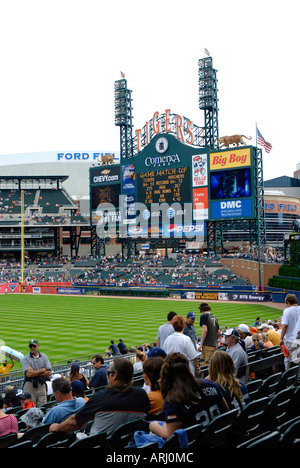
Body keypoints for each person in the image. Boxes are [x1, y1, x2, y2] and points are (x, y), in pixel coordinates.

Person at [49, 357, 150, 437]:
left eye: (108, 372)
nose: (107, 375)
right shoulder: (141, 394)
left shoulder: (99, 398)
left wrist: (57, 427)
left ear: (114, 376)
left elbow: (74, 422)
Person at [149, 352, 228, 440]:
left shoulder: (173, 399)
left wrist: (153, 425)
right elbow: (227, 411)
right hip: (221, 439)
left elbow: (172, 436)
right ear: (187, 368)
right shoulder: (208, 383)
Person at [22, 339, 52, 407]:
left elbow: (49, 373)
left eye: (34, 346)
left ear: (38, 346)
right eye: (31, 346)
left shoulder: (44, 357)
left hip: (41, 384)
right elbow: (28, 374)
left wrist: (34, 372)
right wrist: (42, 370)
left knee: (43, 407)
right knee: (30, 408)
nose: (32, 348)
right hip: (30, 385)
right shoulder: (25, 359)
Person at [280, 294, 300, 368]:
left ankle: (289, 378)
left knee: (289, 363)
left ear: (288, 302)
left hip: (290, 341)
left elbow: (285, 325)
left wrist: (281, 339)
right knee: (298, 362)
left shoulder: (287, 311)